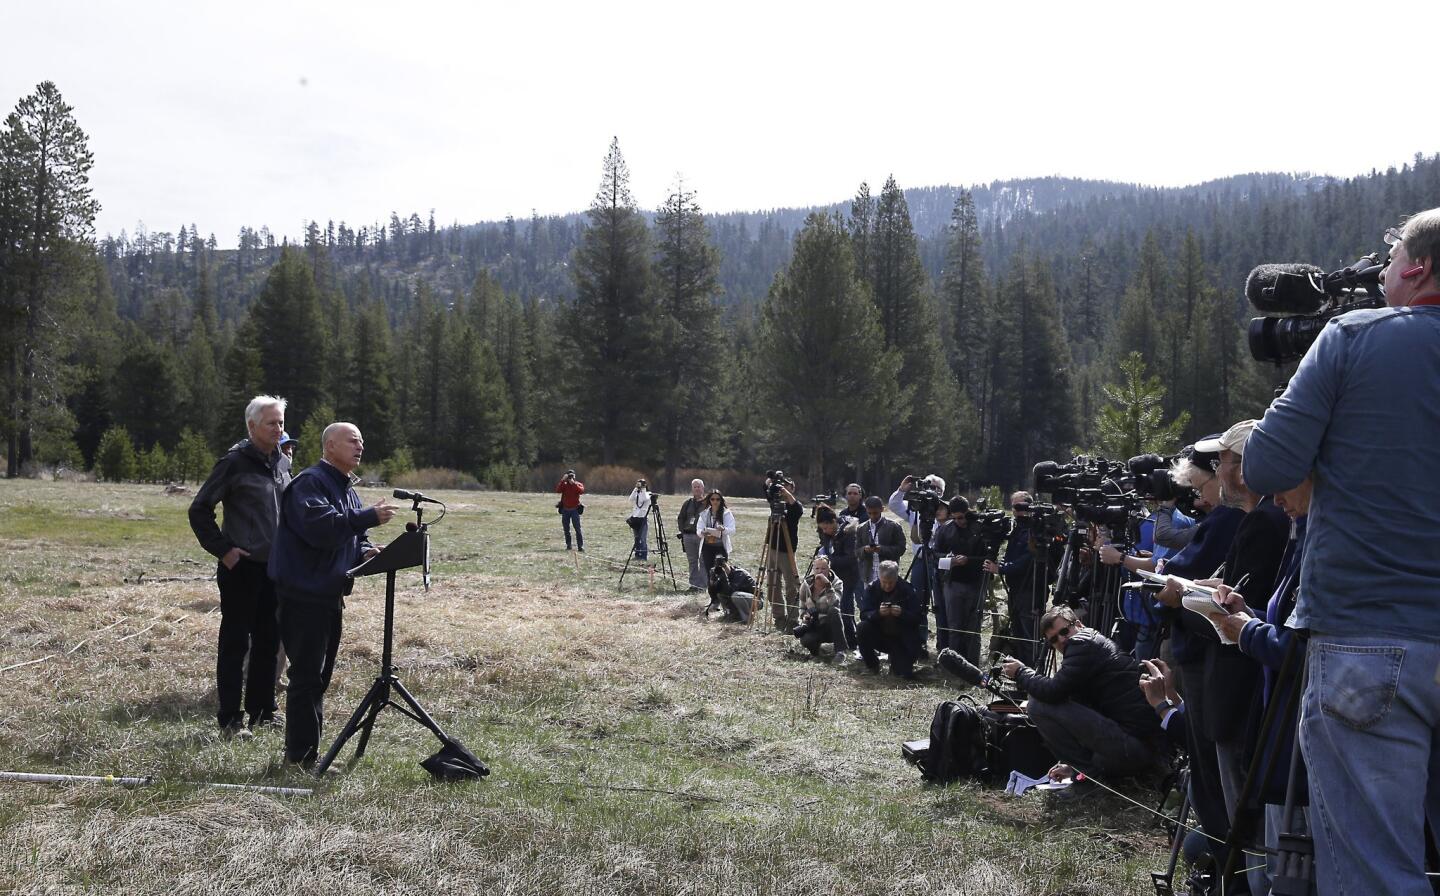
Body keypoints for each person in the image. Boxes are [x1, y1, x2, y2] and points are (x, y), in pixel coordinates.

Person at [1243, 209, 1440, 896]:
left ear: (1416, 268)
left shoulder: (1353, 339)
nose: (1381, 271)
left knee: (1374, 872)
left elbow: (1265, 467)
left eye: (1390, 258)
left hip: (1368, 636)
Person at [267, 422, 397, 768]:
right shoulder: (311, 483)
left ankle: (306, 754)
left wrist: (366, 551)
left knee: (318, 676)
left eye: (362, 441)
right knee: (308, 675)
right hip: (304, 595)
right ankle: (300, 759)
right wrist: (368, 516)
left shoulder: (345, 487)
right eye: (353, 441)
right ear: (330, 447)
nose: (360, 447)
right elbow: (321, 528)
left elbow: (351, 537)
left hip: (327, 594)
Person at [1217, 474, 1313, 896]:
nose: (1276, 498)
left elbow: (1301, 646)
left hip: (1298, 727)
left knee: (1298, 857)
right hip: (1281, 719)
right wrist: (1251, 613)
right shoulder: (1300, 535)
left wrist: (1247, 632)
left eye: (1285, 486)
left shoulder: (1319, 544)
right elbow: (1288, 621)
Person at [188, 395, 291, 738]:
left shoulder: (282, 463)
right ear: (252, 426)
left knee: (268, 641)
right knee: (235, 644)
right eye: (271, 423)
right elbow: (199, 509)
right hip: (241, 569)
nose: (278, 429)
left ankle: (263, 711)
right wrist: (223, 550)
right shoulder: (234, 463)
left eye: (280, 423)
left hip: (274, 570)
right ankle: (231, 720)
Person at [1002, 607, 1163, 788]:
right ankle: (1085, 773)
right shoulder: (1088, 646)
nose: (1062, 640)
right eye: (1054, 639)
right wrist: (1073, 768)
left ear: (1078, 624)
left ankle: (1088, 779)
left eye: (1064, 631)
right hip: (1134, 746)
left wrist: (1021, 672)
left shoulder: (1082, 643)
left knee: (1037, 705)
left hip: (1135, 747)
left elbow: (1052, 692)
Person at [888, 474, 946, 650]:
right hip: (921, 559)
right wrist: (902, 490)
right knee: (917, 601)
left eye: (937, 488)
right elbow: (894, 505)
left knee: (940, 603)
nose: (932, 491)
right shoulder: (916, 509)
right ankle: (919, 641)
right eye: (929, 486)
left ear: (943, 492)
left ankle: (943, 643)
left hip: (940, 562)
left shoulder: (946, 509)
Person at [984, 492, 1039, 667]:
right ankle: (1021, 671)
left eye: (1019, 507)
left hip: (1030, 588)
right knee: (1018, 633)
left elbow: (1028, 559)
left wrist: (1001, 568)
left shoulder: (1035, 529)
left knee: (1029, 633)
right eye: (1013, 507)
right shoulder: (1017, 527)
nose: (1015, 511)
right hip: (1016, 587)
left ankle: (1031, 671)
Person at [934, 496, 986, 664]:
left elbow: (988, 555)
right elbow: (935, 555)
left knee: (973, 627)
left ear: (967, 512)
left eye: (961, 517)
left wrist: (969, 560)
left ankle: (972, 663)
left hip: (975, 581)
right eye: (954, 518)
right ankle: (956, 664)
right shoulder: (945, 530)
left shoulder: (980, 527)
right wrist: (951, 561)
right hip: (953, 582)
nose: (958, 521)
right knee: (954, 626)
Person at [856, 561, 924, 679]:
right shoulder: (872, 589)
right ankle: (872, 665)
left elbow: (918, 618)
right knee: (862, 627)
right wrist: (877, 613)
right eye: (884, 582)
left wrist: (902, 613)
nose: (887, 586)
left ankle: (899, 663)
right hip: (879, 635)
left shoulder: (907, 590)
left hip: (901, 638)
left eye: (891, 583)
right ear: (879, 577)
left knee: (902, 674)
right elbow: (864, 614)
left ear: (897, 577)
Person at [814, 506, 860, 651]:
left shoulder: (848, 533)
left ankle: (852, 642)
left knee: (846, 609)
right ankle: (841, 640)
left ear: (834, 521)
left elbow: (851, 558)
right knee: (837, 608)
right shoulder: (826, 535)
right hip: (833, 577)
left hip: (848, 576)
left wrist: (829, 561)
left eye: (827, 527)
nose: (825, 531)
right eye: (823, 529)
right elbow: (827, 547)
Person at [763, 474, 804, 632]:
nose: (782, 488)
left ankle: (793, 618)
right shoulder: (775, 502)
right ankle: (779, 616)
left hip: (786, 551)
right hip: (772, 549)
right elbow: (767, 491)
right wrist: (769, 484)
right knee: (773, 585)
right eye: (781, 485)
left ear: (792, 488)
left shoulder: (794, 507)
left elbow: (797, 507)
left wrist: (786, 494)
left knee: (791, 586)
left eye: (786, 485)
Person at [793, 556, 847, 659]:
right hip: (813, 624)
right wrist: (805, 616)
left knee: (834, 610)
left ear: (829, 569)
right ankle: (818, 653)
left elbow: (834, 603)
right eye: (817, 568)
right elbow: (801, 608)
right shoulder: (806, 584)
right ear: (813, 569)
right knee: (806, 639)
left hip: (830, 624)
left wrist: (827, 585)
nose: (820, 571)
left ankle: (840, 651)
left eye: (823, 568)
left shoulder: (837, 583)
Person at [855, 495, 905, 587]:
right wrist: (865, 550)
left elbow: (901, 549)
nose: (872, 516)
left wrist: (881, 549)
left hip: (889, 575)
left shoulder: (893, 526)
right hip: (868, 575)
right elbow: (857, 551)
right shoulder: (861, 528)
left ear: (882, 509)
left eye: (875, 513)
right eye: (869, 513)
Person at [695, 489, 736, 586]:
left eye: (718, 499)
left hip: (720, 547)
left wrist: (723, 529)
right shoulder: (705, 513)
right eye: (712, 499)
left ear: (721, 500)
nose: (715, 502)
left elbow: (732, 529)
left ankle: (723, 595)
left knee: (721, 571)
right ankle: (713, 597)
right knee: (710, 571)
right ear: (709, 500)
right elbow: (698, 529)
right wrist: (702, 532)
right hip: (707, 547)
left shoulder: (726, 513)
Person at [676, 478, 707, 590]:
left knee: (703, 561)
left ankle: (703, 585)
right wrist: (683, 532)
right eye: (695, 487)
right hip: (688, 536)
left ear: (703, 488)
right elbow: (681, 518)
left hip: (702, 536)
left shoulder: (707, 503)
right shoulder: (687, 503)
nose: (697, 489)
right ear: (692, 489)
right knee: (692, 561)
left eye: (699, 486)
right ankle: (694, 585)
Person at [707, 556, 757, 623]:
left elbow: (730, 592)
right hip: (742, 599)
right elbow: (715, 593)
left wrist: (724, 578)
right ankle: (732, 614)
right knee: (720, 592)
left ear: (729, 564)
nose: (724, 569)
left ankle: (747, 618)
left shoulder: (740, 574)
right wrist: (712, 581)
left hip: (755, 599)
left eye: (724, 566)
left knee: (735, 595)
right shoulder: (719, 574)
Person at [555, 469, 585, 552]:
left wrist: (573, 484)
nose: (570, 478)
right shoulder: (564, 484)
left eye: (572, 476)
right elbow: (557, 490)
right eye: (569, 476)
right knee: (566, 529)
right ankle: (568, 545)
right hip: (565, 510)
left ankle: (580, 546)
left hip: (575, 509)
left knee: (577, 529)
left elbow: (581, 491)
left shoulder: (578, 484)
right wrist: (562, 480)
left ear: (574, 476)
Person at [625, 478, 651, 560]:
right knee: (636, 538)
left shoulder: (648, 494)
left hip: (642, 518)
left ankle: (643, 556)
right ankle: (637, 554)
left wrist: (643, 489)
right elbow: (630, 499)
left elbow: (644, 499)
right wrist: (636, 488)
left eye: (641, 484)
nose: (640, 485)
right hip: (635, 517)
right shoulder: (637, 492)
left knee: (642, 538)